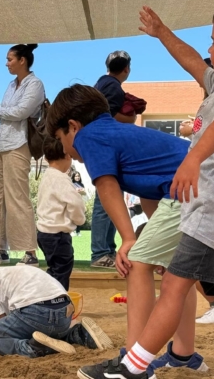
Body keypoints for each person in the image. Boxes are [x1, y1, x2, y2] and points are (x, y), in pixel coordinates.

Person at [77, 0, 214, 379]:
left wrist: (192, 160)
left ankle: (134, 366)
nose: (208, 50)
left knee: (174, 287)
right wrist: (162, 32)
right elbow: (194, 62)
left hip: (210, 213)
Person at [46, 84, 207, 379]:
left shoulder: (90, 136)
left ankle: (133, 363)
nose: (66, 148)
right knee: (176, 270)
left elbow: (107, 187)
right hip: (207, 187)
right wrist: (154, 239)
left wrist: (130, 239)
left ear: (72, 126)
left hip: (189, 190)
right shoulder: (122, 133)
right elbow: (150, 187)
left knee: (137, 263)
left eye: (60, 139)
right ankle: (184, 356)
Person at [0, 259, 113, 358]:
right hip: (65, 311)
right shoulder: (7, 272)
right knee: (46, 331)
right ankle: (77, 335)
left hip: (36, 312)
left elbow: (2, 323)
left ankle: (31, 348)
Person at [0, 44, 45, 266]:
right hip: (0, 145)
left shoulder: (35, 84)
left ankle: (30, 252)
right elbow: (10, 112)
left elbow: (22, 112)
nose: (7, 63)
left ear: (22, 60)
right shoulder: (11, 84)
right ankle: (1, 249)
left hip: (19, 144)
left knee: (18, 197)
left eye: (10, 59)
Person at [90, 51, 134, 268]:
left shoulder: (101, 83)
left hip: (100, 148)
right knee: (106, 200)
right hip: (107, 148)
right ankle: (100, 252)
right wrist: (130, 116)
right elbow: (105, 116)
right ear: (126, 68)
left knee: (108, 200)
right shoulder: (113, 87)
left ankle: (105, 249)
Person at [37, 137, 85, 290]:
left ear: (45, 157)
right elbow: (75, 203)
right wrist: (79, 220)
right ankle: (56, 301)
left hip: (44, 233)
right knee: (62, 269)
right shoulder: (62, 179)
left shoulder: (47, 176)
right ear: (67, 155)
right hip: (57, 235)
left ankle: (47, 297)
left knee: (54, 269)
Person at [71, 171, 86, 236]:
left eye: (78, 176)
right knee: (73, 216)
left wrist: (82, 191)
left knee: (80, 217)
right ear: (73, 177)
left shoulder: (81, 184)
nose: (77, 177)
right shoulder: (71, 184)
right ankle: (72, 231)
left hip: (80, 202)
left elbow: (84, 194)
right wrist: (76, 191)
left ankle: (78, 231)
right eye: (76, 176)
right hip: (73, 202)